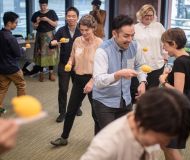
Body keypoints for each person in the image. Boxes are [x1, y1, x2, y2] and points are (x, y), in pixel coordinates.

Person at [80, 88, 190, 160]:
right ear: (144, 124)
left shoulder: (153, 122)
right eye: (160, 140)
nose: (163, 144)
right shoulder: (106, 146)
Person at [50, 15, 103, 146]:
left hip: (93, 80)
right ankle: (64, 138)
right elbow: (72, 57)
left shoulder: (100, 43)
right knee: (71, 110)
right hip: (78, 80)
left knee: (96, 114)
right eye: (82, 29)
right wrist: (69, 63)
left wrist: (92, 81)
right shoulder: (77, 41)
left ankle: (99, 142)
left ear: (93, 28)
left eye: (87, 30)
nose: (84, 33)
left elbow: (102, 66)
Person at [92, 15, 147, 131]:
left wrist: (142, 82)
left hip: (126, 100)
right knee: (111, 138)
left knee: (124, 135)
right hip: (104, 102)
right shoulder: (102, 51)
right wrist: (118, 74)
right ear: (114, 34)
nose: (130, 39)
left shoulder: (135, 46)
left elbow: (140, 65)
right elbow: (98, 81)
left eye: (132, 35)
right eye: (126, 36)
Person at [159, 28, 190, 160]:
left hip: (178, 108)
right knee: (166, 144)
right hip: (187, 104)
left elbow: (178, 92)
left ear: (173, 44)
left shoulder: (180, 62)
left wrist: (163, 81)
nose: (165, 49)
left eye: (165, 45)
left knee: (170, 147)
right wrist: (171, 75)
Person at [49, 7, 82, 122]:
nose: (71, 18)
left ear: (77, 17)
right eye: (69, 16)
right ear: (66, 17)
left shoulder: (81, 30)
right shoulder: (61, 30)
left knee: (78, 88)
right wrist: (53, 43)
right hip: (64, 63)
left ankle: (77, 107)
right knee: (63, 89)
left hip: (78, 64)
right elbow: (52, 43)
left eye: (73, 16)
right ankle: (62, 112)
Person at [130, 4, 167, 103]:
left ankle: (148, 115)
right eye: (146, 15)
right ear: (141, 15)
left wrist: (165, 58)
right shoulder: (134, 27)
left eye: (151, 15)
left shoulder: (158, 26)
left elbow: (165, 42)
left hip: (156, 65)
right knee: (137, 94)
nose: (149, 17)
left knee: (151, 96)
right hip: (139, 66)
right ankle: (137, 115)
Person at [0, 11, 26, 115]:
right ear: (9, 23)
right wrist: (23, 49)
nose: (16, 25)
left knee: (2, 88)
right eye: (15, 23)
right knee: (21, 85)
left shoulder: (0, 34)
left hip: (1, 68)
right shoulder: (11, 38)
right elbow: (18, 54)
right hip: (12, 68)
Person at [31, 0, 59, 82]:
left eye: (44, 5)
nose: (43, 7)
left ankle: (51, 73)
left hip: (50, 35)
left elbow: (55, 24)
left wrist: (47, 20)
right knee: (40, 54)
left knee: (51, 54)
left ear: (47, 5)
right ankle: (41, 73)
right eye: (41, 5)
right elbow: (34, 28)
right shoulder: (36, 14)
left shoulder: (52, 12)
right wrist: (37, 22)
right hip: (40, 36)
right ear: (39, 5)